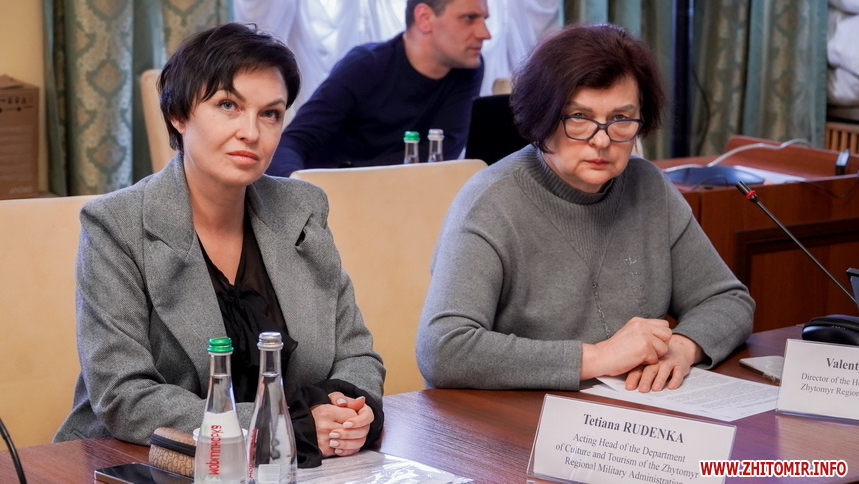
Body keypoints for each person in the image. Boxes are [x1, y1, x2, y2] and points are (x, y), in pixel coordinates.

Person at [54, 23, 385, 468]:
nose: (252, 132)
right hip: (142, 462)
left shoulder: (303, 208)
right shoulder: (115, 224)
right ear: (179, 114)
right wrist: (282, 426)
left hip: (295, 466)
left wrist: (352, 411)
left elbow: (357, 354)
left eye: (271, 114)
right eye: (228, 105)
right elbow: (124, 396)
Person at [416, 24, 755, 393]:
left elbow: (728, 299)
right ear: (542, 117)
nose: (602, 140)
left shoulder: (650, 187)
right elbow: (443, 348)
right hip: (516, 415)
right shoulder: (490, 202)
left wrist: (683, 347)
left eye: (621, 119)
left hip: (630, 410)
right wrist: (597, 357)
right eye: (579, 117)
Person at [266, 0, 491, 176]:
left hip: (402, 197)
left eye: (484, 19)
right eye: (469, 18)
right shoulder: (365, 65)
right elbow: (293, 143)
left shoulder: (468, 67)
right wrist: (301, 195)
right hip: (334, 199)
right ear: (425, 18)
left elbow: (442, 154)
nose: (485, 33)